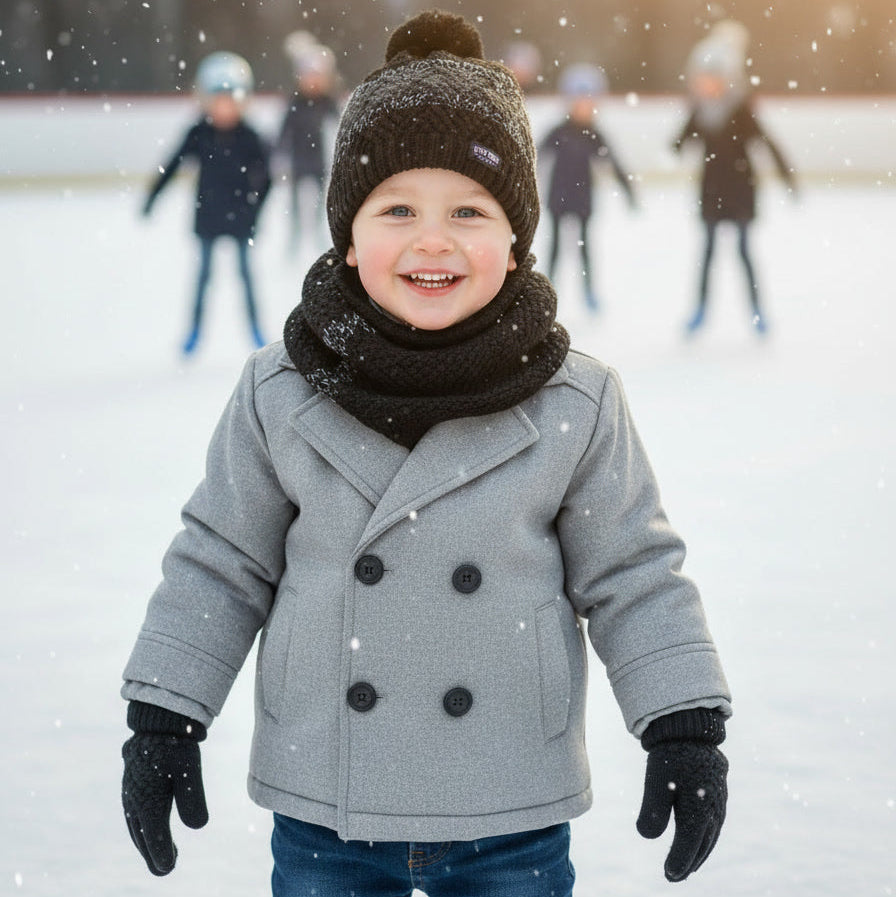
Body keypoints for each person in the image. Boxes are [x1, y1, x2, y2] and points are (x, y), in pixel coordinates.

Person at [120, 11, 732, 896]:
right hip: (329, 800)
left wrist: (682, 719)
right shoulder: (280, 388)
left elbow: (633, 573)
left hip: (508, 804)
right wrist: (166, 711)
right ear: (347, 233)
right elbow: (221, 560)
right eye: (396, 207)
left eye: (469, 211)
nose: (432, 239)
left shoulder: (575, 401)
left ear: (516, 238)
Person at [143, 51, 272, 354]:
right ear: (205, 100)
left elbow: (266, 178)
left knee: (245, 277)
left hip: (240, 219)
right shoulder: (199, 133)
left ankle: (255, 328)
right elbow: (173, 165)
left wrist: (254, 211)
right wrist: (152, 197)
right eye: (218, 100)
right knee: (203, 279)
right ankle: (194, 332)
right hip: (209, 218)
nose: (224, 108)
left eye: (231, 100)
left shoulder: (250, 136)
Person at [673, 20, 797, 336]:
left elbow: (767, 142)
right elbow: (679, 142)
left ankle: (757, 310)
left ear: (727, 80)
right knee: (709, 252)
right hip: (712, 191)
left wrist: (788, 176)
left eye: (711, 79)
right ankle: (700, 309)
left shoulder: (740, 110)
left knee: (743, 252)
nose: (705, 85)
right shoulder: (701, 111)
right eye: (702, 79)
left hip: (741, 191)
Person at [539, 63, 637, 313]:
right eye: (578, 100)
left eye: (588, 101)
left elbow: (613, 163)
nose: (583, 106)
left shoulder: (595, 134)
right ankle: (548, 291)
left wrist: (629, 192)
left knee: (585, 248)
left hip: (583, 199)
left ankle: (589, 292)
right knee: (556, 248)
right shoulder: (558, 132)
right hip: (559, 197)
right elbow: (535, 159)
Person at [276, 32, 339, 253]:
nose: (312, 82)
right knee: (294, 206)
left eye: (317, 77)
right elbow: (283, 134)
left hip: (318, 162)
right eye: (308, 76)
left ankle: (321, 238)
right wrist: (280, 155)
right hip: (298, 161)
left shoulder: (328, 103)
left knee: (322, 206)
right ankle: (294, 239)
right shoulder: (295, 104)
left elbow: (340, 126)